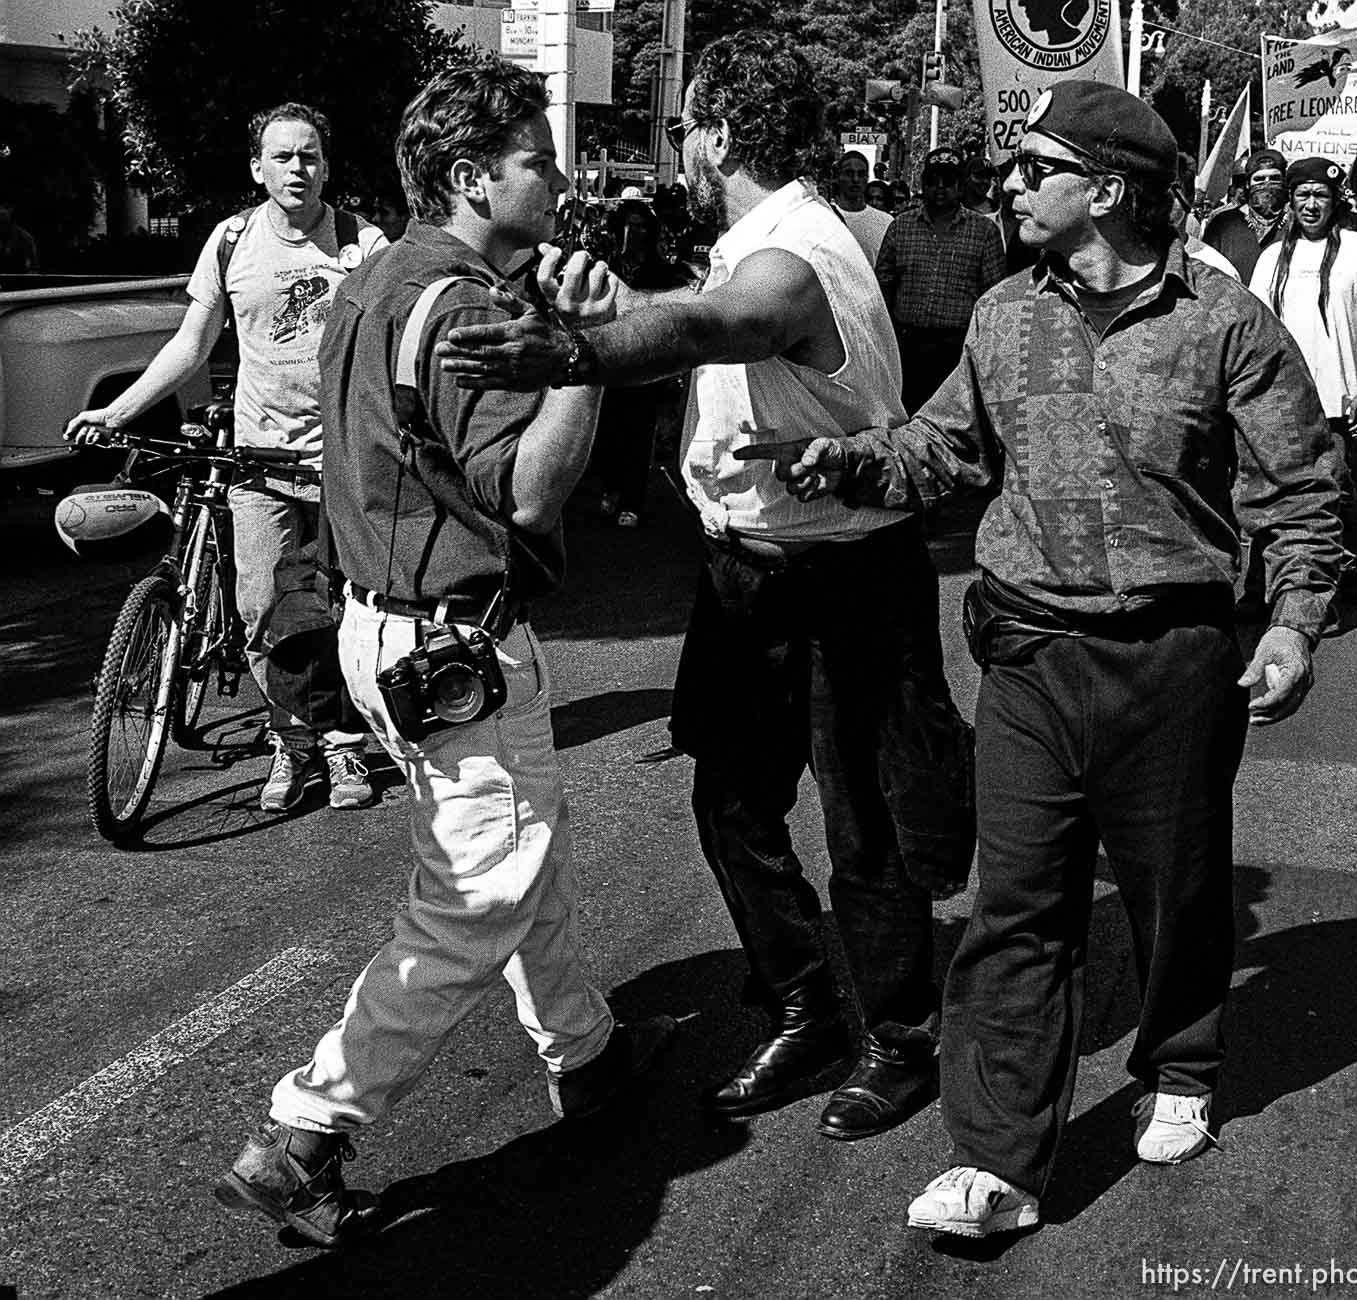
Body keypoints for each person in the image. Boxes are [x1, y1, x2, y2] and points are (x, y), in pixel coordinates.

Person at [750, 80, 1344, 1238]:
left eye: (1031, 167)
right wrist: (847, 459)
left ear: (1105, 191)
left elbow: (1300, 488)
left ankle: (1179, 1060)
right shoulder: (1001, 313)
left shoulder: (1222, 324)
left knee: (1172, 889)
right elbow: (939, 447)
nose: (1006, 184)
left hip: (1171, 660)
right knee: (1015, 906)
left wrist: (1289, 621)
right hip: (1025, 651)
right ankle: (996, 1158)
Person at [438, 30, 976, 1144]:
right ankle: (801, 1005)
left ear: (721, 131)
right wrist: (609, 303)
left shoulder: (797, 253)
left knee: (862, 823)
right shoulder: (753, 238)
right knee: (729, 798)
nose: (679, 142)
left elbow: (711, 320)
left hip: (846, 578)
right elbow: (690, 299)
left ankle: (898, 1038)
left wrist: (577, 351)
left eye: (684, 122)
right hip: (745, 575)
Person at [214, 53, 676, 1248]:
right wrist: (580, 355)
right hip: (448, 638)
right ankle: (305, 1129)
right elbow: (525, 494)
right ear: (472, 176)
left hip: (388, 627)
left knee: (522, 851)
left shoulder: (379, 276)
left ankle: (586, 1054)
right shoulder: (466, 301)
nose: (562, 177)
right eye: (539, 159)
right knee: (475, 898)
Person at [66, 103, 386, 814]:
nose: (296, 168)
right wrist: (117, 411)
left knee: (341, 610)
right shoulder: (233, 240)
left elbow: (391, 345)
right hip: (255, 460)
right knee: (264, 608)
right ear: (258, 167)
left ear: (327, 165)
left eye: (309, 156)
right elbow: (192, 344)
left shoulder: (364, 244)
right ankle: (291, 744)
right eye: (282, 156)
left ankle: (341, 745)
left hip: (342, 461)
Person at [1249, 155, 1357, 609]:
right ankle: (1268, 582)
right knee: (1276, 490)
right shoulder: (1271, 258)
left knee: (1337, 487)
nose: (1311, 205)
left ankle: (1348, 570)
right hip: (1280, 397)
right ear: (1291, 201)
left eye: (1320, 196)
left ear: (1334, 201)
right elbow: (1257, 326)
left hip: (1336, 397)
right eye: (1302, 195)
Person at [875, 147, 1005, 412]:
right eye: (934, 181)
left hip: (957, 350)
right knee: (906, 417)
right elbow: (883, 287)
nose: (941, 188)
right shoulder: (900, 227)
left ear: (960, 185)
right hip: (906, 346)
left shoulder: (984, 232)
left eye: (949, 181)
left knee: (954, 422)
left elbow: (994, 297)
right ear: (923, 184)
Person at [595, 198, 693, 526]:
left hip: (646, 365)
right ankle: (610, 488)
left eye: (639, 226)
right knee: (608, 430)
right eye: (628, 224)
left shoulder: (661, 271)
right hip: (609, 362)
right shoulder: (605, 266)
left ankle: (632, 500)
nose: (633, 232)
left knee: (639, 432)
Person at [1201, 148, 1288, 283]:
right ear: (1248, 184)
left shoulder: (1297, 224)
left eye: (1274, 179)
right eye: (1259, 179)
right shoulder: (1222, 223)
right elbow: (1205, 274)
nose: (1267, 184)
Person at [832, 149, 893, 266]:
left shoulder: (886, 222)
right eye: (849, 173)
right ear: (838, 176)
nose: (855, 179)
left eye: (861, 174)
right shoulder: (826, 217)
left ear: (867, 178)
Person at [0, 196, 39, 275]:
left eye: (6, 208)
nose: (1, 211)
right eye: (0, 207)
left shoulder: (25, 238)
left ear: (12, 210)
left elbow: (33, 270)